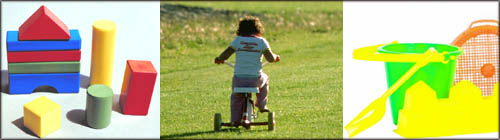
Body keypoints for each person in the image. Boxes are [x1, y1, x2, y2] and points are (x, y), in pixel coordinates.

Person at [214, 16, 280, 126]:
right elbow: (270, 59)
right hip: (255, 79)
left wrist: (219, 59)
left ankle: (234, 120)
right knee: (265, 79)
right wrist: (275, 57)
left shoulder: (238, 41)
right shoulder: (261, 41)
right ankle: (261, 105)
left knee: (236, 97)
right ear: (258, 29)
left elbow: (225, 54)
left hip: (239, 79)